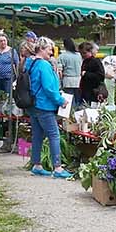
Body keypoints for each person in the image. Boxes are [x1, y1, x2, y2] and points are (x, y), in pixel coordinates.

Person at [25, 38, 70, 178]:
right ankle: (58, 168)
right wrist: (60, 100)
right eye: (50, 49)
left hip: (32, 105)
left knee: (37, 135)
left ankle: (36, 164)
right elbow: (49, 88)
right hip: (44, 105)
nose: (51, 52)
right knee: (54, 135)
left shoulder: (29, 62)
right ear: (42, 49)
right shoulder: (44, 65)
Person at [57, 37, 83, 116]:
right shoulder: (78, 55)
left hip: (67, 80)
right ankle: (78, 115)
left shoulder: (62, 56)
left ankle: (71, 116)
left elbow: (60, 71)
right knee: (78, 100)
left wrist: (60, 81)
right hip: (78, 80)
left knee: (69, 100)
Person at [77, 40, 106, 109]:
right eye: (81, 53)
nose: (82, 55)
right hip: (85, 92)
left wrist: (86, 74)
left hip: (94, 92)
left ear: (90, 51)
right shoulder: (85, 61)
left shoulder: (96, 61)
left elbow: (101, 76)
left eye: (84, 53)